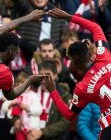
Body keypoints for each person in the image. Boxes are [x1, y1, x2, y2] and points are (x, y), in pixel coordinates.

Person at [0, 9, 46, 140]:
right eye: (16, 51)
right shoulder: (5, 74)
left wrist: (27, 17)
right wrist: (29, 80)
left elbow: (4, 28)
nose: (17, 54)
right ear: (10, 51)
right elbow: (10, 95)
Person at [43, 8, 111, 140]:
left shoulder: (83, 88)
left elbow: (69, 115)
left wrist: (53, 91)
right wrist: (69, 16)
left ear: (73, 62)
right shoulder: (104, 55)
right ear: (89, 52)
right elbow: (95, 27)